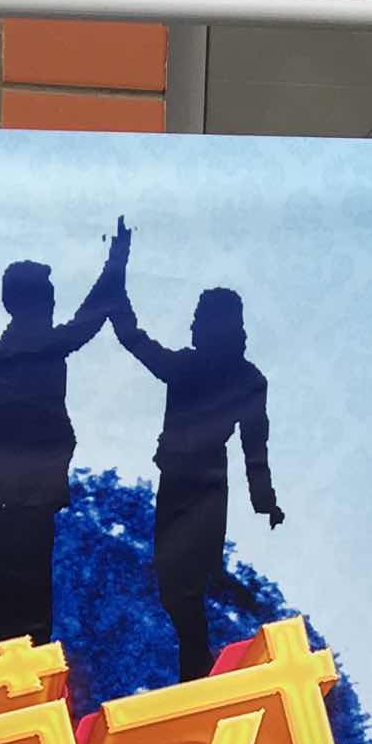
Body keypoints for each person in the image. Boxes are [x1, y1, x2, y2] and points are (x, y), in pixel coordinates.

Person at [0, 221, 132, 665]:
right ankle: (3, 671)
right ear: (31, 301)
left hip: (16, 494)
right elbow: (88, 321)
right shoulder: (28, 344)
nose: (53, 300)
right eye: (47, 293)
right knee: (19, 592)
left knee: (11, 587)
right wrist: (116, 265)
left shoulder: (16, 346)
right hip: (22, 495)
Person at [110, 279, 283, 679]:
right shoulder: (243, 378)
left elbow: (135, 340)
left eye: (198, 319)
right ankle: (202, 663)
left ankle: (203, 666)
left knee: (183, 586)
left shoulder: (195, 369)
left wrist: (115, 302)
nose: (191, 326)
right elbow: (255, 448)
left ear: (212, 326)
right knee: (181, 585)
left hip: (194, 485)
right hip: (194, 483)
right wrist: (264, 500)